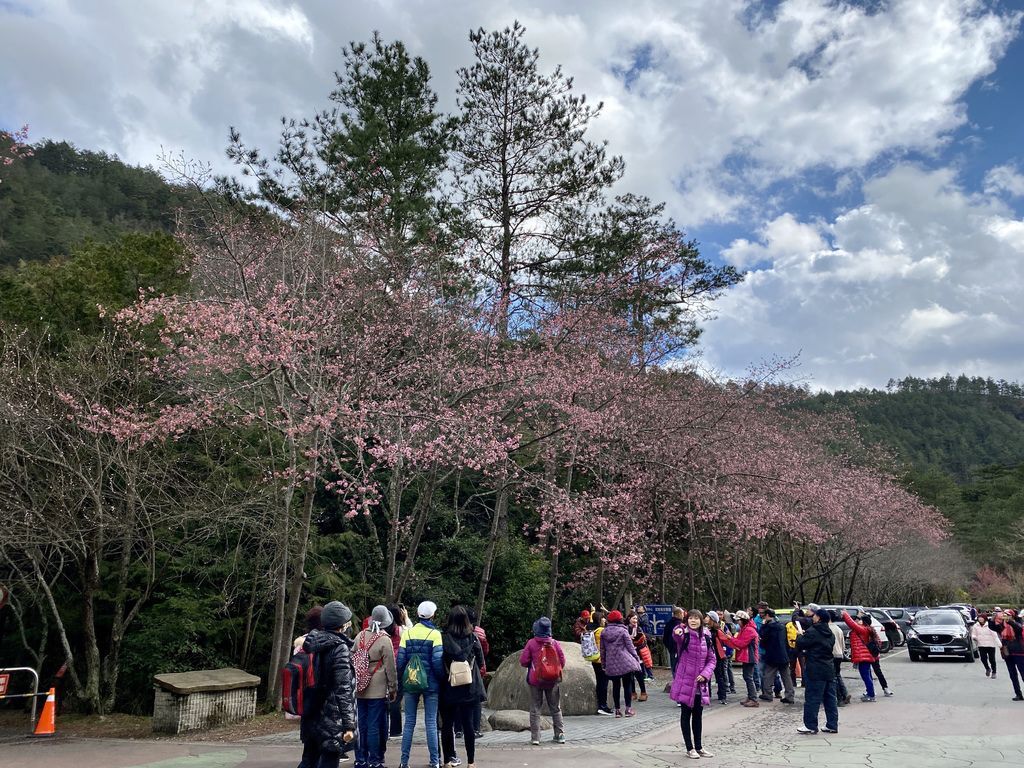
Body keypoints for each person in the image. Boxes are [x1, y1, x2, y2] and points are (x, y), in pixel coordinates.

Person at [300, 601, 357, 768]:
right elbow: (343, 689)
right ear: (342, 625)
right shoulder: (340, 648)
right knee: (328, 761)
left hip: (312, 712)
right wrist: (349, 725)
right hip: (332, 716)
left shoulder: (313, 643)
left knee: (309, 761)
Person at [397, 600, 446, 768]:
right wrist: (440, 679)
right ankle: (434, 761)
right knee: (431, 722)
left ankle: (404, 762)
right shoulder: (435, 634)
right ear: (433, 615)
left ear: (418, 615)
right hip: (431, 684)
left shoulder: (407, 633)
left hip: (410, 682)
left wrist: (400, 681)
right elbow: (437, 662)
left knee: (409, 721)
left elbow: (401, 661)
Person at [439, 606, 485, 768]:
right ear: (466, 620)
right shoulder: (473, 638)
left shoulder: (443, 638)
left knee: (447, 725)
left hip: (449, 687)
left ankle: (448, 760)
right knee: (468, 726)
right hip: (469, 688)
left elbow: (439, 663)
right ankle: (471, 762)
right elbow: (480, 662)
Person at [354, 605, 398, 768]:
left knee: (361, 725)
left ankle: (360, 759)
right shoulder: (384, 640)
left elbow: (352, 658)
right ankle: (374, 760)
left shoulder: (360, 636)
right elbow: (390, 668)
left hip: (360, 687)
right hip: (377, 689)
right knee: (374, 726)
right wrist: (393, 688)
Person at [670, 610, 717, 759]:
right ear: (686, 620)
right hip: (685, 681)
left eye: (696, 618)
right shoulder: (684, 635)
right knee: (686, 714)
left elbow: (712, 659)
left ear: (701, 620)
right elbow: (676, 636)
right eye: (690, 618)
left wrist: (705, 674)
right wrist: (677, 630)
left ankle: (699, 747)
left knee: (698, 715)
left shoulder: (707, 637)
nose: (693, 621)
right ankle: (689, 748)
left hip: (700, 683)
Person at [519, 616, 566, 746]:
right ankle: (560, 735)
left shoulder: (531, 643)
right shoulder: (555, 643)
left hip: (536, 680)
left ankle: (536, 737)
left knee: (535, 708)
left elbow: (523, 661)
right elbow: (562, 660)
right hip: (553, 680)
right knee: (555, 708)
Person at [795, 609, 839, 735]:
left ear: (818, 618)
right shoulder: (830, 633)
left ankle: (810, 725)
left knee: (812, 698)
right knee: (830, 698)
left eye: (815, 616)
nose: (813, 617)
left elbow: (801, 643)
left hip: (815, 668)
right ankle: (832, 724)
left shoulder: (813, 631)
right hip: (829, 668)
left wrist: (799, 635)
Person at [600, 610, 643, 717]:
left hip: (611, 663)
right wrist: (636, 658)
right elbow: (630, 647)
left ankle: (617, 711)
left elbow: (602, 650)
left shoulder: (604, 632)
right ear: (620, 619)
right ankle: (628, 709)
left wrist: (604, 664)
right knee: (627, 685)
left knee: (616, 686)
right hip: (625, 662)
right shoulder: (623, 631)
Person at [842, 609, 889, 701]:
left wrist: (845, 614)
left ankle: (871, 695)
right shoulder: (867, 629)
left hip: (863, 657)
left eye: (860, 620)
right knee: (867, 675)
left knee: (866, 676)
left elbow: (852, 624)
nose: (858, 621)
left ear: (863, 622)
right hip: (865, 656)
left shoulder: (863, 629)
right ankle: (870, 692)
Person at [717, 610, 759, 707]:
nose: (737, 622)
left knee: (748, 677)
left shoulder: (749, 630)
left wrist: (730, 638)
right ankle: (751, 697)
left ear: (743, 620)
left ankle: (753, 698)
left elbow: (741, 643)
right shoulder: (746, 628)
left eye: (738, 620)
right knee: (747, 677)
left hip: (750, 657)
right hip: (748, 657)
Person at [758, 609, 795, 703]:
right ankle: (790, 696)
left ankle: (767, 694)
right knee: (786, 676)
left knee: (768, 675)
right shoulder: (782, 626)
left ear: (767, 615)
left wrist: (763, 625)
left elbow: (762, 636)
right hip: (783, 654)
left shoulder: (768, 627)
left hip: (772, 655)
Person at [582, 610, 612, 715]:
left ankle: (601, 705)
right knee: (603, 683)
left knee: (600, 682)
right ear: (599, 619)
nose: (605, 619)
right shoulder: (601, 631)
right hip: (602, 659)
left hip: (595, 659)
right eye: (603, 617)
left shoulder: (590, 628)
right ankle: (602, 705)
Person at [385, 604, 406, 739]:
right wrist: (406, 618)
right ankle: (395, 729)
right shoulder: (401, 630)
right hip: (399, 664)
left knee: (385, 696)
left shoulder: (382, 630)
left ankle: (385, 726)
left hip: (385, 663)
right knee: (396, 698)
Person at [704, 611, 729, 704]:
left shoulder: (718, 631)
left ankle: (722, 696)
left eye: (707, 617)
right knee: (707, 677)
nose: (705, 618)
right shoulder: (704, 630)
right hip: (707, 657)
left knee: (720, 677)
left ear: (712, 619)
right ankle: (707, 695)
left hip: (718, 657)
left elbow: (727, 639)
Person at [827, 613, 851, 705]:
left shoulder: (827, 629)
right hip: (839, 654)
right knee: (837, 675)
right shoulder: (838, 629)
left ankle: (839, 698)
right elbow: (843, 644)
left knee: (833, 677)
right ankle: (845, 693)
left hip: (831, 654)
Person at [627, 612, 651, 701]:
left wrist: (636, 644)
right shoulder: (626, 629)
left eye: (636, 619)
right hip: (628, 655)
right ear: (629, 619)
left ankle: (643, 692)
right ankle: (633, 692)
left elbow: (644, 643)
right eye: (633, 618)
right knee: (630, 675)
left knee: (639, 674)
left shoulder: (639, 629)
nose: (635, 620)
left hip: (638, 655)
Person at [971, 613, 1001, 679]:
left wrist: (999, 644)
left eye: (982, 618)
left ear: (985, 618)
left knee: (992, 659)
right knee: (983, 659)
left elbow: (995, 636)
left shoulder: (990, 625)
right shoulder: (976, 626)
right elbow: (973, 634)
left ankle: (994, 672)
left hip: (991, 645)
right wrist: (974, 637)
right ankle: (987, 668)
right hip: (981, 645)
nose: (980, 619)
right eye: (979, 618)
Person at [663, 607, 685, 673]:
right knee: (678, 668)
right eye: (683, 614)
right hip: (677, 649)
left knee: (674, 667)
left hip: (672, 649)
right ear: (679, 614)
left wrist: (669, 647)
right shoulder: (680, 625)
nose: (683, 615)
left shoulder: (668, 624)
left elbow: (665, 638)